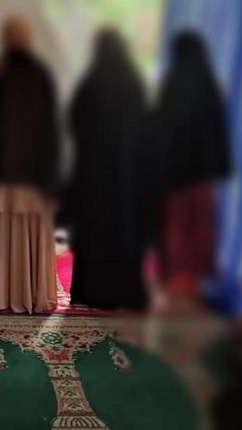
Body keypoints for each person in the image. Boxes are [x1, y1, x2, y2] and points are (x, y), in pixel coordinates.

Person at [0, 16, 60, 313]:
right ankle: (32, 293)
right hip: (33, 177)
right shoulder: (40, 74)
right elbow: (50, 130)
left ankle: (2, 294)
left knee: (6, 233)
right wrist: (51, 177)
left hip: (2, 175)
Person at [64, 29, 149, 310]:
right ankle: (122, 292)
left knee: (94, 232)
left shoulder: (90, 84)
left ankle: (91, 292)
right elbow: (146, 129)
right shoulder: (134, 84)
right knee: (124, 230)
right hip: (127, 178)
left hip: (94, 177)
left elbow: (74, 121)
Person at [156, 31, 231, 310]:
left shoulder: (172, 85)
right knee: (199, 230)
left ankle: (176, 284)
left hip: (174, 177)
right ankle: (192, 285)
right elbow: (218, 133)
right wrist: (217, 166)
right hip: (201, 178)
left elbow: (161, 131)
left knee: (176, 229)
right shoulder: (211, 87)